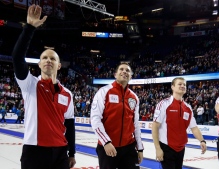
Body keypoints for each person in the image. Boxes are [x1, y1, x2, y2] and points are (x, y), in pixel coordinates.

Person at [12, 5, 76, 169]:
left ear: (59, 65)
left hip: (60, 152)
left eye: (52, 59)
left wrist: (72, 153)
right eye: (45, 58)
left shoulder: (67, 94)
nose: (48, 60)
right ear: (39, 64)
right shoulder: (30, 84)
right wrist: (30, 28)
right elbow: (17, 57)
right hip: (34, 151)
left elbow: (69, 125)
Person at [90, 62, 144, 169]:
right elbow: (95, 119)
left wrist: (140, 148)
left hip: (128, 147)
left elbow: (135, 124)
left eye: (127, 70)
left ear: (131, 76)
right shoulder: (104, 92)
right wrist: (106, 142)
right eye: (121, 69)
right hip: (108, 147)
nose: (124, 71)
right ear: (115, 74)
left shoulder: (134, 97)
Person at [152, 77, 207, 169]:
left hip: (181, 148)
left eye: (184, 84)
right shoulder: (164, 104)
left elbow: (194, 127)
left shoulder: (188, 108)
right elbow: (155, 126)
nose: (182, 86)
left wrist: (202, 140)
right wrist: (158, 148)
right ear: (172, 87)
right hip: (167, 147)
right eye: (180, 84)